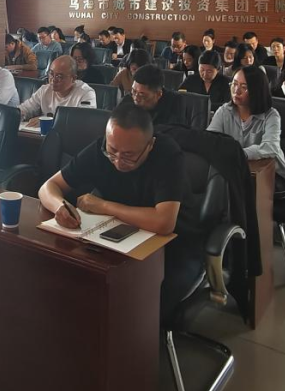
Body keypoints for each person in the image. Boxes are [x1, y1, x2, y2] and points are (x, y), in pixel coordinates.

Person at [38, 102, 201, 322]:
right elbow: (48, 187)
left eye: (129, 155)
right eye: (113, 151)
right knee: (73, 282)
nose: (118, 161)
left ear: (150, 145)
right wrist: (60, 206)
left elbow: (164, 222)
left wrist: (103, 206)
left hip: (174, 248)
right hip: (120, 240)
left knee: (138, 305)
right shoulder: (100, 150)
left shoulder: (168, 155)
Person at [208, 66, 285, 197]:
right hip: (235, 172)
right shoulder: (224, 111)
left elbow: (271, 147)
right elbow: (210, 140)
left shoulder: (271, 116)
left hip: (273, 176)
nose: (236, 91)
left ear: (257, 91)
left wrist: (238, 154)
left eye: (244, 87)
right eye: (234, 84)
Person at [19, 56, 97, 123]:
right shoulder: (45, 90)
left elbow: (84, 119)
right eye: (51, 74)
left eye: (59, 76)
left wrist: (51, 121)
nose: (53, 80)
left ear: (73, 78)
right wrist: (19, 114)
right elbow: (25, 109)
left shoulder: (86, 93)